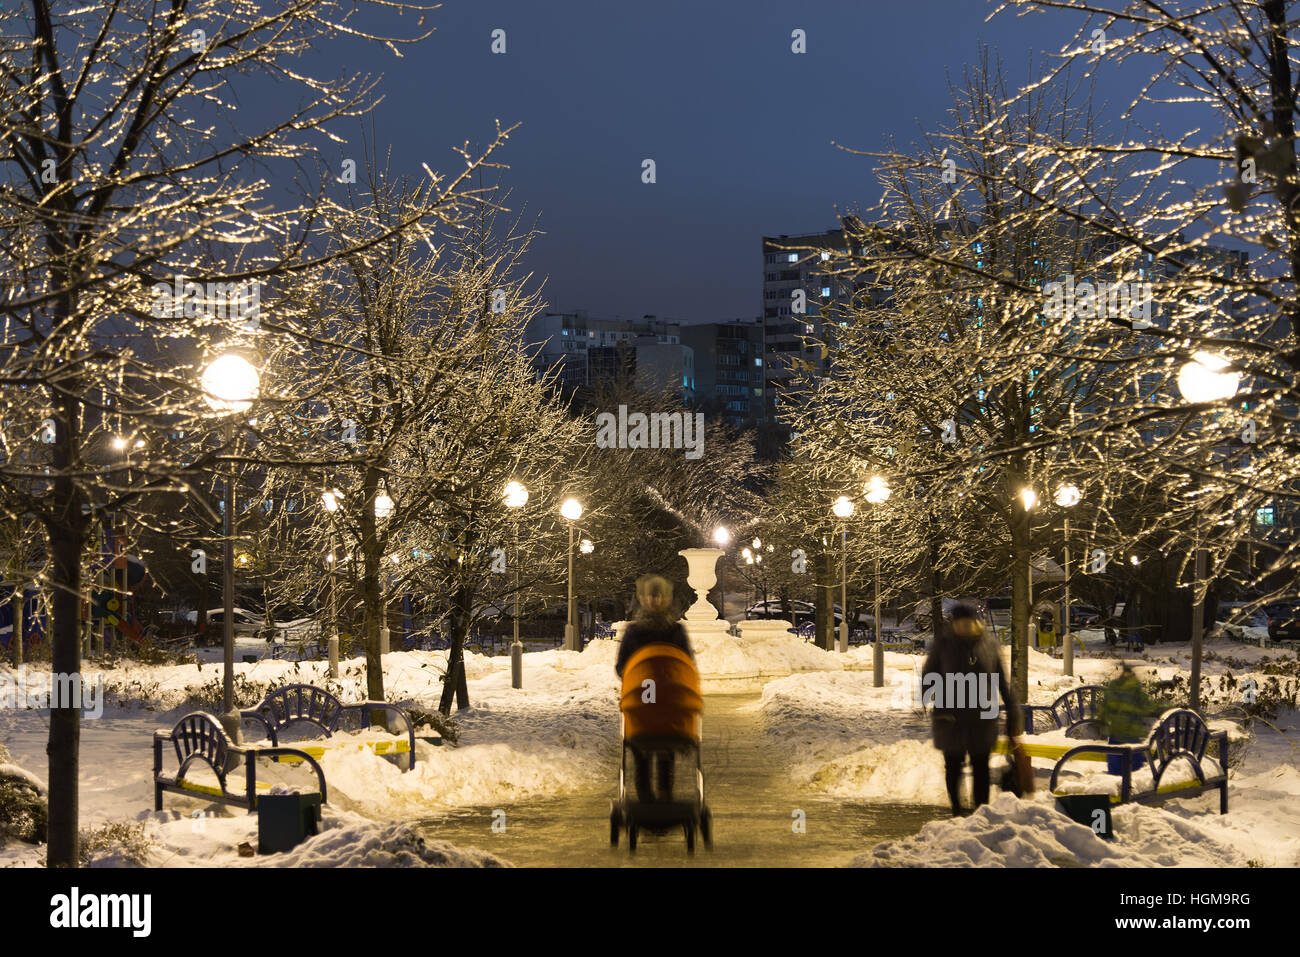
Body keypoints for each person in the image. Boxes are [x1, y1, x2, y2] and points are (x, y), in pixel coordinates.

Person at [922, 603, 1022, 816]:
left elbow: (1002, 682)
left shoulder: (988, 645)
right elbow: (928, 677)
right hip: (950, 717)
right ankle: (956, 811)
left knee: (980, 767)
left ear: (976, 622)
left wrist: (1013, 712)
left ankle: (980, 813)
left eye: (968, 623)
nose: (964, 627)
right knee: (953, 765)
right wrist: (936, 704)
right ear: (954, 623)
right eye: (960, 623)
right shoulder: (943, 644)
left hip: (982, 717)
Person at [615, 575, 697, 802]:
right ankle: (646, 801)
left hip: (668, 702)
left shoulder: (676, 631)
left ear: (666, 598)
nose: (656, 600)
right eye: (651, 595)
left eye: (660, 595)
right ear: (643, 598)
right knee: (642, 757)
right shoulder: (634, 632)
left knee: (665, 756)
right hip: (643, 702)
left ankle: (664, 797)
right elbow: (622, 666)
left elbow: (687, 665)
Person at [1097, 662, 1158, 774]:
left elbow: (1105, 709)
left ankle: (1115, 779)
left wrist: (1102, 721)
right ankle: (1130, 783)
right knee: (1134, 763)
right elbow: (1147, 707)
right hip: (1132, 734)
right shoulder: (1136, 690)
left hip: (1116, 732)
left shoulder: (1113, 688)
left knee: (1115, 760)